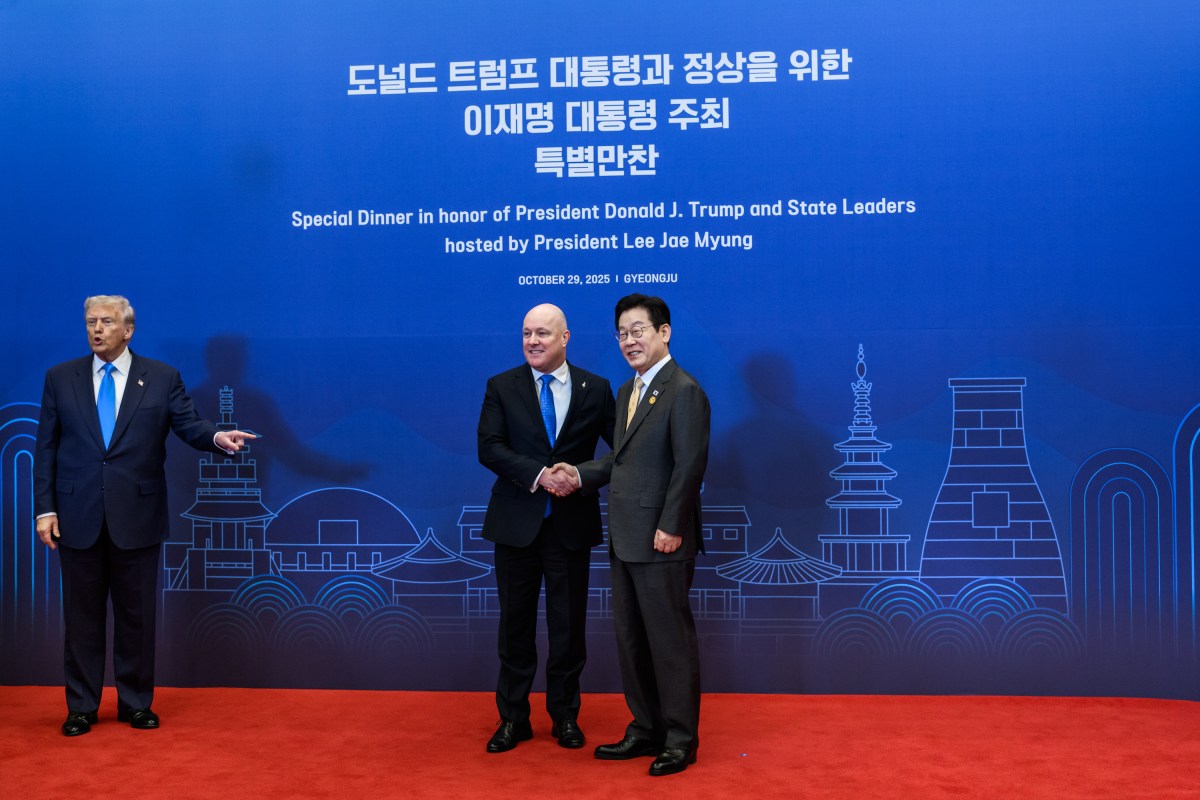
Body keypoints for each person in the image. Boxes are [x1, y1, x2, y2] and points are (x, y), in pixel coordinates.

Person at [34, 295, 257, 736]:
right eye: (90, 322)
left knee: (137, 618)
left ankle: (135, 703)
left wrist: (218, 438)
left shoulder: (160, 377)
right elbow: (46, 448)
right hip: (77, 515)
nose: (97, 329)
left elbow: (190, 425)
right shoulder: (61, 378)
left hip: (137, 515)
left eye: (106, 322)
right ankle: (81, 706)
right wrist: (45, 509)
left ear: (128, 330)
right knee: (82, 619)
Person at [557, 293, 710, 776]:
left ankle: (680, 740)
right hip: (624, 536)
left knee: (669, 643)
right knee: (632, 640)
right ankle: (645, 729)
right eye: (622, 333)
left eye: (639, 330)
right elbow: (623, 461)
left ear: (664, 333)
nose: (629, 340)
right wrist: (579, 474)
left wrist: (670, 525)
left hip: (662, 539)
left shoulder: (683, 390)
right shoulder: (627, 392)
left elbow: (689, 466)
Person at [477, 303, 616, 752]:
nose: (532, 341)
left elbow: (622, 449)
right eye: (526, 333)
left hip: (571, 525)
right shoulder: (502, 385)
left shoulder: (597, 388)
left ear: (565, 338)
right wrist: (542, 474)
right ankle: (513, 719)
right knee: (514, 629)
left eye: (542, 333)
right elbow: (490, 447)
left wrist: (579, 475)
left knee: (568, 628)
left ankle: (565, 718)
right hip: (516, 524)